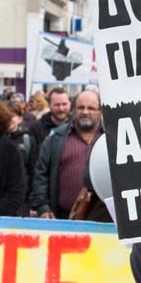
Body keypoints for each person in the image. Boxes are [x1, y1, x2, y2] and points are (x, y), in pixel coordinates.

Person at [30, 89, 102, 219]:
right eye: (81, 107)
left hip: (101, 221)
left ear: (100, 111)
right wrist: (43, 207)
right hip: (60, 219)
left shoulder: (111, 139)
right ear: (73, 110)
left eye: (91, 108)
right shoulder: (56, 138)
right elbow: (41, 175)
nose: (85, 112)